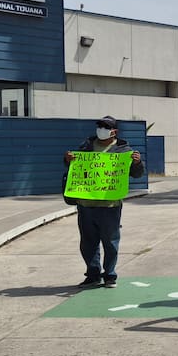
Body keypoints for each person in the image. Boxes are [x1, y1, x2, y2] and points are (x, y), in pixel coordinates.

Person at [64, 116, 145, 288]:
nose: (101, 129)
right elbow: (74, 169)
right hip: (86, 204)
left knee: (111, 241)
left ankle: (110, 275)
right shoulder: (85, 147)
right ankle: (93, 274)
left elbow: (137, 174)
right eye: (99, 126)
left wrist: (137, 163)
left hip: (110, 205)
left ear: (114, 131)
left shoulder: (124, 151)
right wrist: (68, 160)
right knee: (88, 242)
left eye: (105, 127)